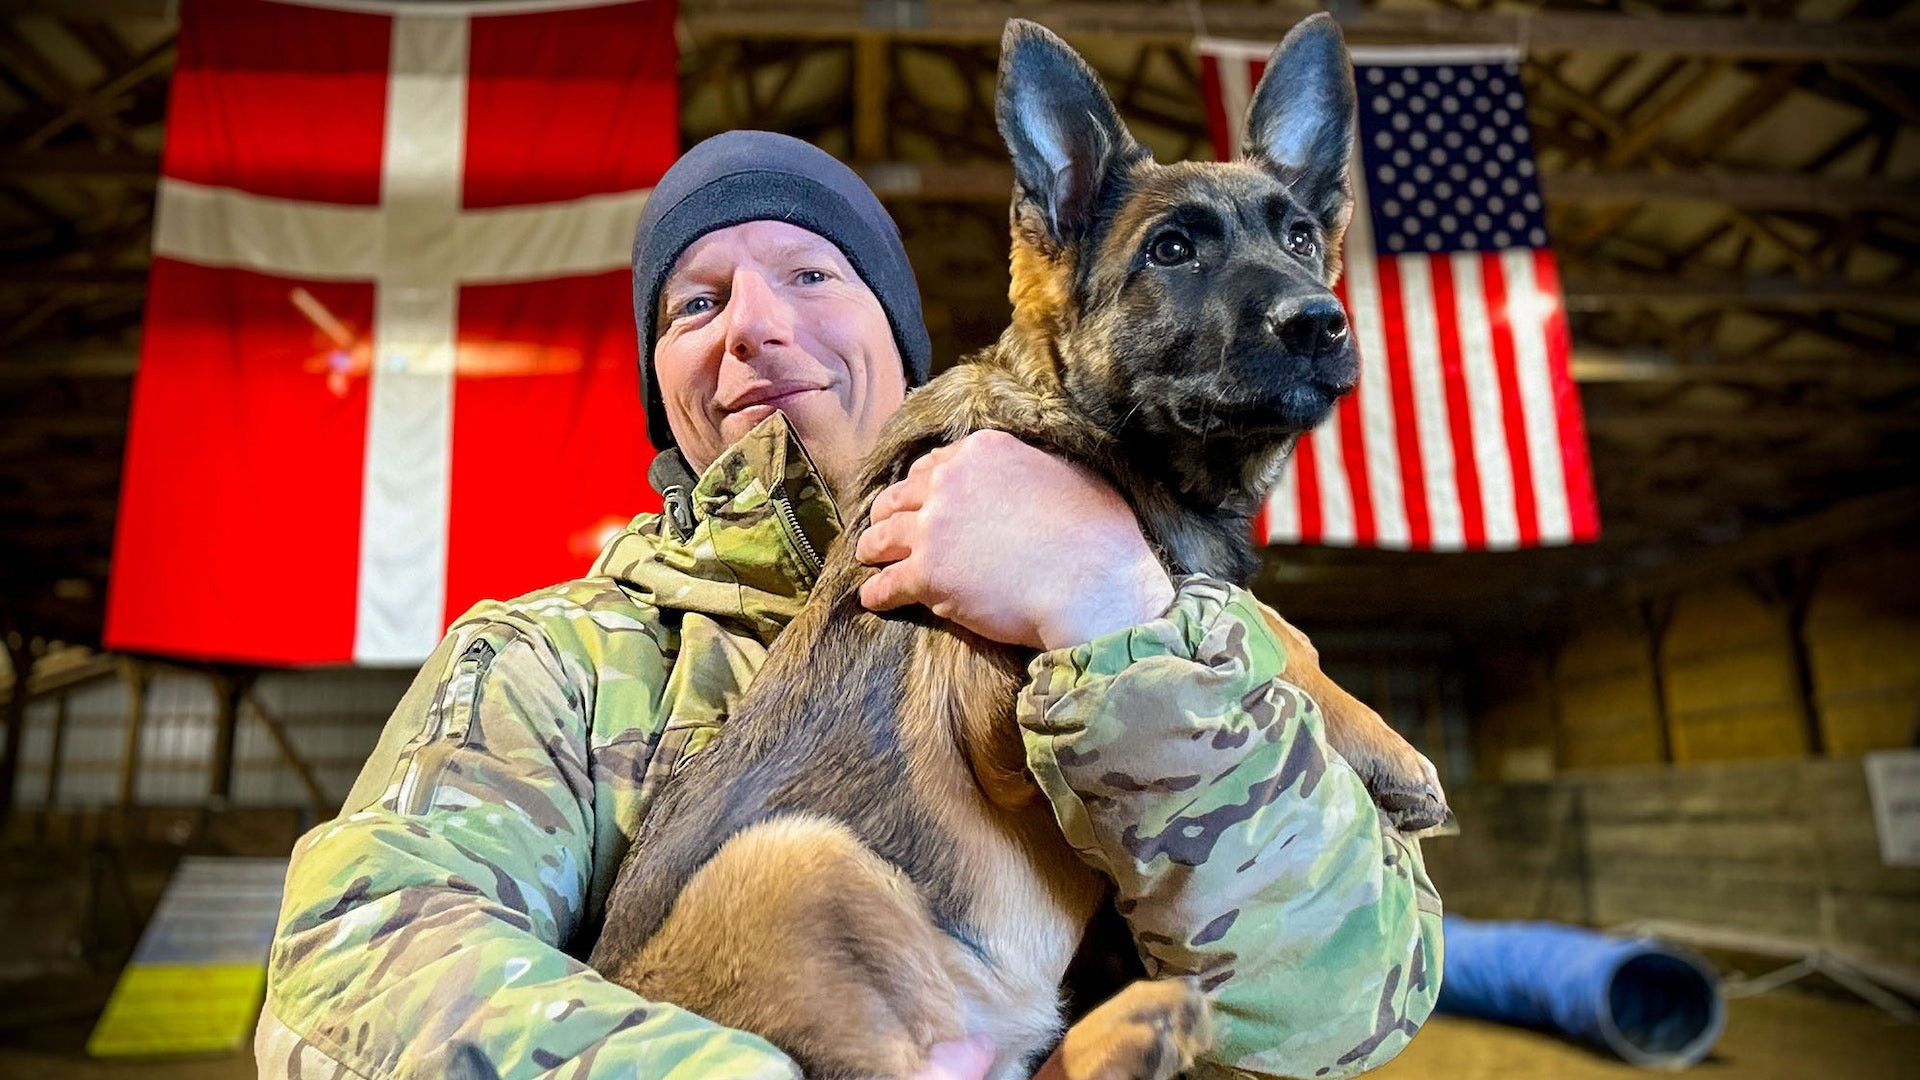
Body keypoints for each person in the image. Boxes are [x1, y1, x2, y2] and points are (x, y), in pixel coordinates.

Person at [256, 130, 1442, 1080]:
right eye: (695, 304)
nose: (756, 325)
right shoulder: (546, 662)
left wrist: (1109, 604)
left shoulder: (1180, 611)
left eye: (812, 275)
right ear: (658, 383)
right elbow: (352, 962)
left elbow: (1342, 1010)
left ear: (900, 336)